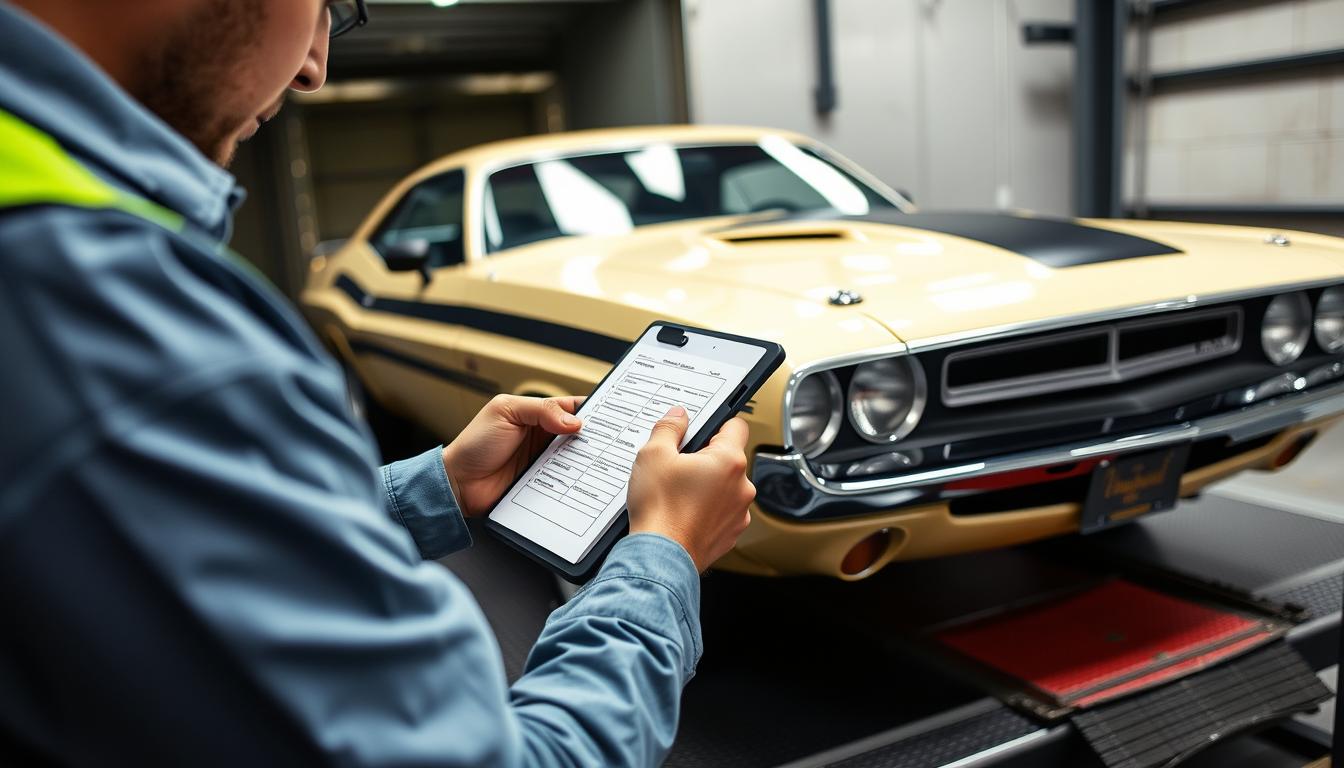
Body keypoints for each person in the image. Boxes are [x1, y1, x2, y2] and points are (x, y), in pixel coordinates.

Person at [0, 0, 756, 764]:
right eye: (326, 5)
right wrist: (663, 555)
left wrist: (437, 487)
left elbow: (207, 544)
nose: (315, 68)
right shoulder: (130, 323)